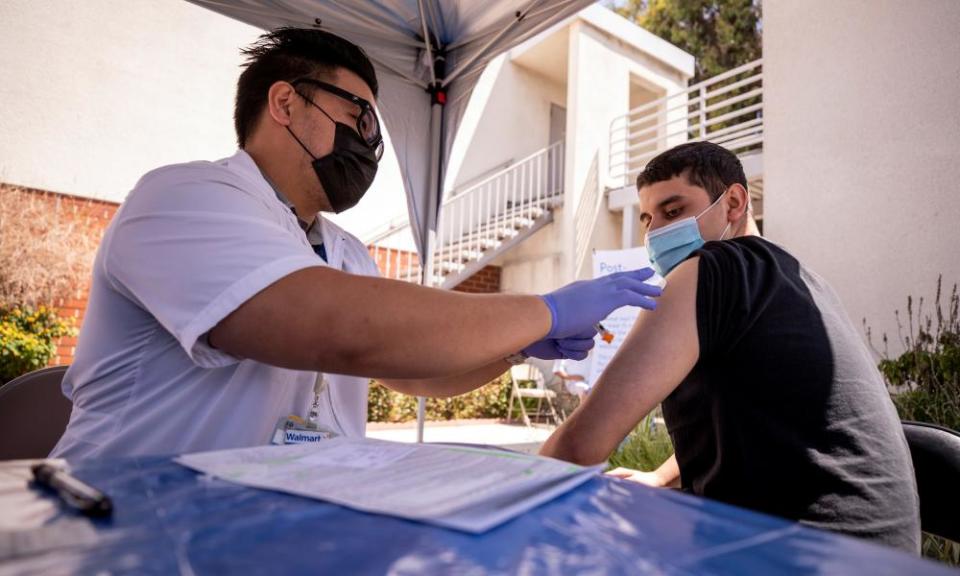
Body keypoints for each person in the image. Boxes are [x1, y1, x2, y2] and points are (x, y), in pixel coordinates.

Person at [50, 28, 662, 460]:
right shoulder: (183, 198)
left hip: (286, 514)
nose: (371, 144)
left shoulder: (342, 249)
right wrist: (546, 309)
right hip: (130, 523)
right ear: (286, 101)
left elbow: (412, 373)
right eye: (360, 117)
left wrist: (519, 345)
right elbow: (345, 331)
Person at [540, 142, 920, 552]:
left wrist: (490, 497)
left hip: (804, 554)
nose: (653, 234)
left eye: (673, 212)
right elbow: (774, 425)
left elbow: (580, 445)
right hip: (882, 553)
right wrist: (660, 478)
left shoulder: (712, 269)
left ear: (734, 202)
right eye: (648, 218)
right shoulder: (801, 281)